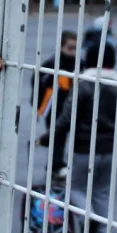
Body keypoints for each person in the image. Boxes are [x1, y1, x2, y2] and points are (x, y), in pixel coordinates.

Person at [47, 42, 117, 233]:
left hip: (83, 148)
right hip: (109, 150)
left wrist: (51, 136)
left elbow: (67, 118)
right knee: (102, 193)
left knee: (75, 188)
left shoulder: (85, 84)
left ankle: (86, 216)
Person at [33, 31, 80, 177]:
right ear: (61, 47)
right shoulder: (52, 64)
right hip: (54, 107)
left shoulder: (78, 63)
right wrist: (40, 103)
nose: (73, 52)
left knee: (62, 136)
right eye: (70, 48)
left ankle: (55, 160)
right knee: (57, 136)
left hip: (70, 106)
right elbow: (38, 81)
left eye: (75, 48)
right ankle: (55, 166)